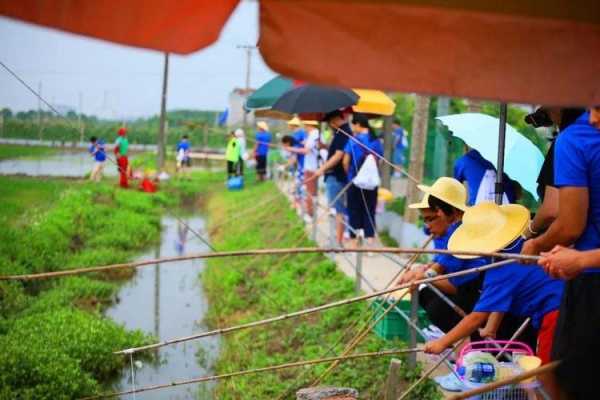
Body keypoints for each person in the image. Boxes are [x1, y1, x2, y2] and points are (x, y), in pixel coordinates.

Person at [424, 202, 564, 395]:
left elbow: (477, 317)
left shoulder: (501, 269)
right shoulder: (519, 248)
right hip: (563, 308)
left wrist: (442, 343)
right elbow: (501, 301)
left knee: (546, 380)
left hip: (556, 316)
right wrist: (492, 328)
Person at [522, 109, 600, 399]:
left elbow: (567, 224)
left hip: (590, 288)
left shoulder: (575, 139)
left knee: (565, 381)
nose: (593, 118)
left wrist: (579, 259)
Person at [523, 107, 585, 239]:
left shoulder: (567, 140)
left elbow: (552, 210)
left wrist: (529, 232)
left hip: (574, 246)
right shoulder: (590, 139)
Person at [311, 109, 353, 246]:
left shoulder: (343, 132)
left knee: (337, 210)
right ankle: (336, 239)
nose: (329, 126)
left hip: (336, 176)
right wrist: (324, 146)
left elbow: (338, 155)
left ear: (333, 121)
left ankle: (337, 241)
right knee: (336, 209)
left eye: (329, 124)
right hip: (335, 176)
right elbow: (336, 150)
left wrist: (321, 169)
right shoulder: (341, 133)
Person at [342, 113, 383, 248]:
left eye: (353, 124)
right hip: (372, 183)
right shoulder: (376, 141)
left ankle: (354, 241)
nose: (352, 127)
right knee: (369, 209)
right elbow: (379, 162)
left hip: (355, 181)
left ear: (358, 125)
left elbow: (345, 162)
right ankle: (370, 242)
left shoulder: (353, 140)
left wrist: (350, 175)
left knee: (354, 209)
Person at [283, 120, 321, 218]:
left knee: (303, 187)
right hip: (305, 164)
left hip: (305, 165)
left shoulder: (302, 134)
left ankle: (305, 210)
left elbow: (303, 150)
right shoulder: (305, 134)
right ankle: (302, 207)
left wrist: (290, 151)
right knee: (303, 186)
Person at [288, 117, 306, 209]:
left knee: (299, 182)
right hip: (303, 162)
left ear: (293, 125)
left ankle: (298, 204)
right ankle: (298, 202)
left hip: (302, 163)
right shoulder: (303, 132)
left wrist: (289, 165)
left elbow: (294, 153)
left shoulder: (296, 135)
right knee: (300, 182)